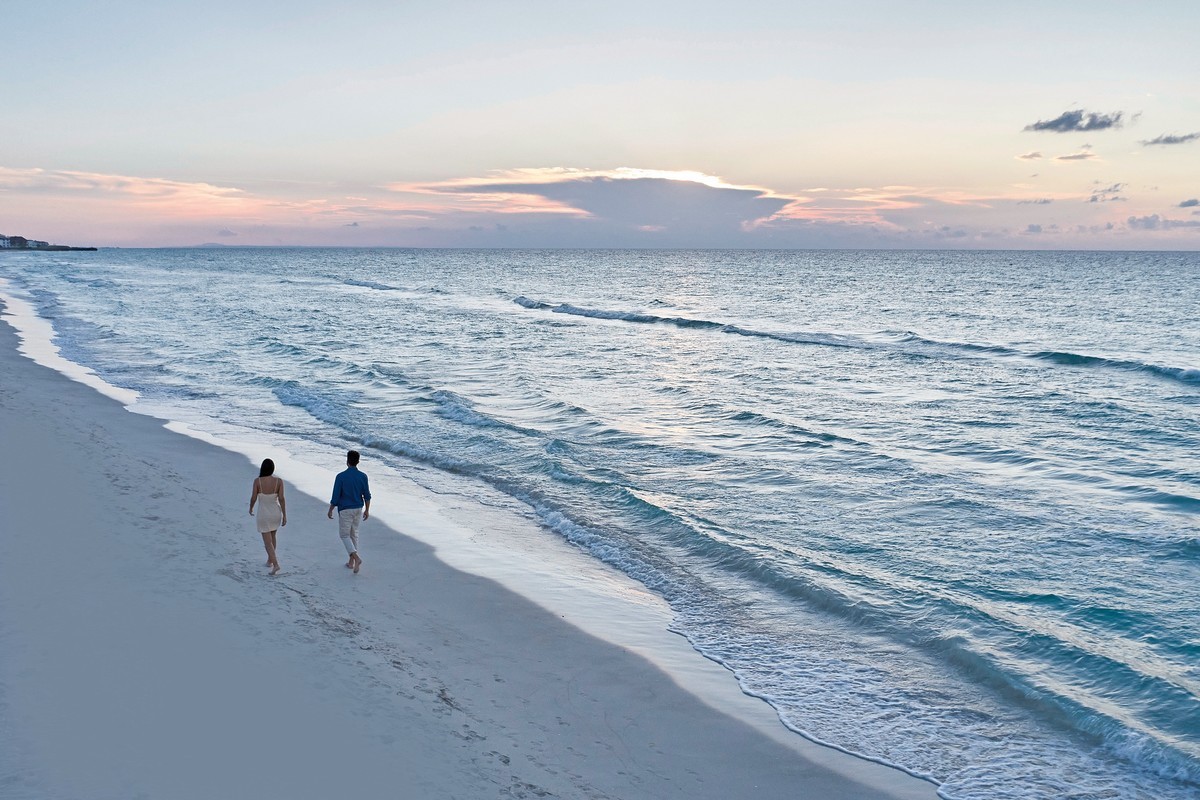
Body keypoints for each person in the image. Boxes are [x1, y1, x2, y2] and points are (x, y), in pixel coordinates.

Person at [328, 449, 371, 573]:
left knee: (344, 535)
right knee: (354, 534)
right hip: (358, 508)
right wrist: (367, 510)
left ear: (347, 461)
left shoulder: (341, 476)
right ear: (358, 461)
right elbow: (367, 495)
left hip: (345, 509)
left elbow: (336, 496)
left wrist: (331, 509)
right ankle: (351, 562)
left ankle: (356, 558)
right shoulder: (363, 476)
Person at [249, 458, 287, 575]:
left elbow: (254, 497)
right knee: (273, 536)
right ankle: (270, 560)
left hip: (264, 514)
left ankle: (275, 564)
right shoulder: (279, 481)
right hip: (275, 513)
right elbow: (281, 499)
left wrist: (250, 507)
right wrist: (284, 515)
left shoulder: (258, 481)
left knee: (267, 541)